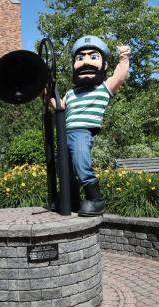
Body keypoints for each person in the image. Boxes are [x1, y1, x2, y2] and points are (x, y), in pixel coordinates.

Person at [54, 35, 131, 216]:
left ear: (103, 65)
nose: (85, 62)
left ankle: (96, 200)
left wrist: (124, 57)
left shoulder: (103, 88)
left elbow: (119, 76)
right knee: (65, 168)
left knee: (82, 164)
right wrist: (42, 90)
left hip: (82, 132)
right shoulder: (71, 93)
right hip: (65, 132)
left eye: (93, 57)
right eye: (80, 58)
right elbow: (59, 106)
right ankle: (70, 199)